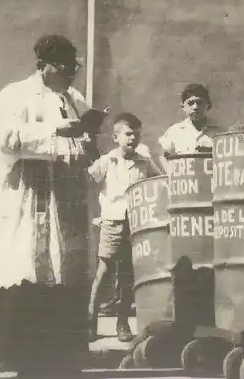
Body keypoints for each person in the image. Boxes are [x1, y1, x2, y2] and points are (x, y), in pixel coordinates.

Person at [0, 34, 98, 378]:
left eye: (74, 67)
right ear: (43, 66)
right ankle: (23, 357)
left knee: (63, 273)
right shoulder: (15, 95)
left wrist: (88, 139)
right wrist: (58, 129)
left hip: (66, 202)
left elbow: (86, 142)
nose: (71, 74)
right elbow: (5, 139)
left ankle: (60, 356)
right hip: (30, 198)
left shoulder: (73, 98)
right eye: (64, 67)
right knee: (29, 266)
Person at [86, 113, 162, 344]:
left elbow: (160, 181)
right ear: (116, 136)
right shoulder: (109, 161)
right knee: (104, 272)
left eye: (137, 134)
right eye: (128, 134)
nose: (133, 138)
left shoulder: (144, 161)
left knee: (128, 275)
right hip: (112, 222)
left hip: (136, 224)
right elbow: (89, 179)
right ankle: (89, 322)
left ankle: (122, 323)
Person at [158, 84, 217, 171]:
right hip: (186, 182)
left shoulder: (220, 131)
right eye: (190, 103)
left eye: (200, 102)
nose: (195, 107)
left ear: (208, 104)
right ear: (183, 106)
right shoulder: (175, 131)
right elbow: (162, 155)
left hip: (211, 181)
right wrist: (170, 173)